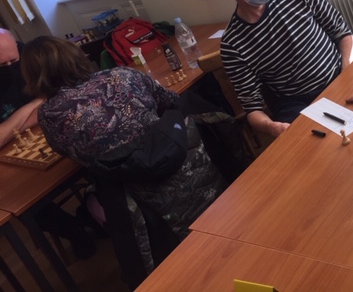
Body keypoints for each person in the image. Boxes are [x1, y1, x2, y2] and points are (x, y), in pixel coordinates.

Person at [20, 36, 228, 289]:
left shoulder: (49, 114)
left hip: (139, 199)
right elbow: (172, 102)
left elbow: (69, 152)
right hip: (188, 169)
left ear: (34, 75)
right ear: (75, 56)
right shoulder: (123, 75)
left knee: (92, 197)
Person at [210, 0, 353, 137]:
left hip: (338, 74)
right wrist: (271, 126)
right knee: (315, 147)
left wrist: (347, 69)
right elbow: (252, 109)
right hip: (298, 103)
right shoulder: (233, 44)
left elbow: (343, 34)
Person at [0, 28, 97, 259]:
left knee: (94, 159)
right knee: (23, 201)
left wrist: (13, 124)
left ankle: (97, 214)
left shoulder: (29, 55)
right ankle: (76, 232)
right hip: (15, 155)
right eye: (2, 65)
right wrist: (34, 103)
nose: (11, 67)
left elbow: (57, 98)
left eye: (14, 60)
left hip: (54, 129)